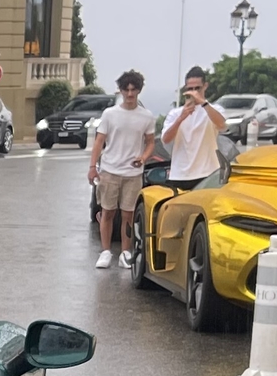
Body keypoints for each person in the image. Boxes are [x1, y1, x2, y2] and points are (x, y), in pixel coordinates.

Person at [87, 70, 158, 270]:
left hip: (133, 173)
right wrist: (93, 167)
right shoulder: (110, 114)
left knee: (128, 214)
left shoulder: (146, 117)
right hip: (110, 170)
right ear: (120, 90)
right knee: (107, 211)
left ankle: (126, 252)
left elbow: (150, 142)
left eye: (133, 90)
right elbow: (99, 141)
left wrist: (143, 157)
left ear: (138, 91)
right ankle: (106, 251)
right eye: (126, 90)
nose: (129, 94)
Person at [161, 68, 228, 193]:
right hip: (180, 175)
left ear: (205, 86)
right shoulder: (175, 113)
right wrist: (181, 118)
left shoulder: (214, 109)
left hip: (208, 173)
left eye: (197, 88)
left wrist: (203, 103)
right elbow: (166, 139)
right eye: (190, 89)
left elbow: (222, 125)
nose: (193, 92)